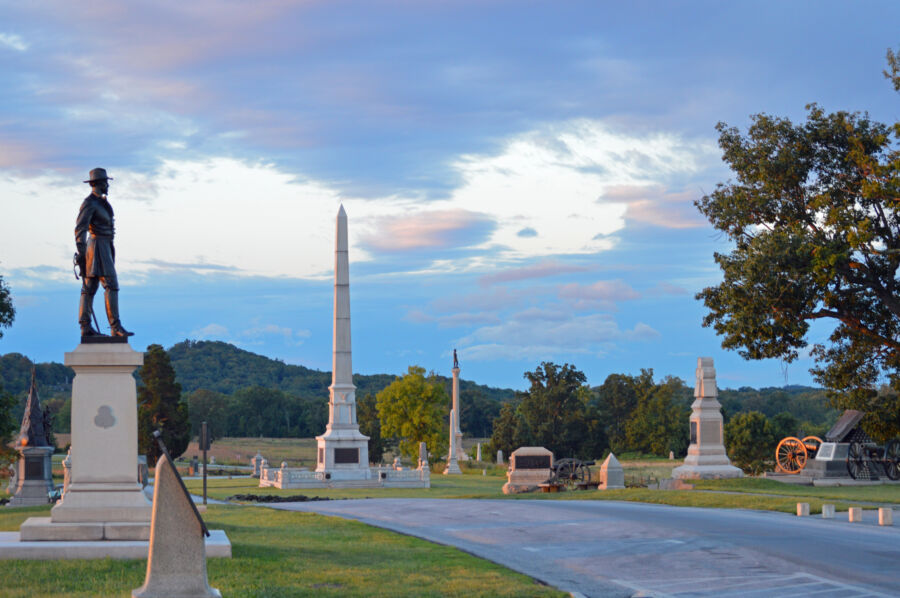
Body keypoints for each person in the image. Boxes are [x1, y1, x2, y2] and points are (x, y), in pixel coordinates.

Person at [75, 168, 133, 338]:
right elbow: (80, 229)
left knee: (90, 287)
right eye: (106, 182)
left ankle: (87, 326)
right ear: (99, 183)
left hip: (105, 245)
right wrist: (81, 252)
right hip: (96, 246)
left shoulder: (101, 202)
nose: (108, 185)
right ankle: (113, 326)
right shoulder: (90, 203)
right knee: (109, 285)